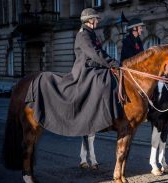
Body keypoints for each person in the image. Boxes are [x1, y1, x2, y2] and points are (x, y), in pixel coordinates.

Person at [25, 8, 122, 137]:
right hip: (85, 69)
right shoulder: (83, 34)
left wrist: (113, 63)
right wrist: (112, 63)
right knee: (103, 83)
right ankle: (99, 116)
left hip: (94, 67)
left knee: (109, 77)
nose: (97, 22)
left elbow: (100, 52)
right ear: (90, 20)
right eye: (96, 19)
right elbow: (94, 53)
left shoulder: (92, 33)